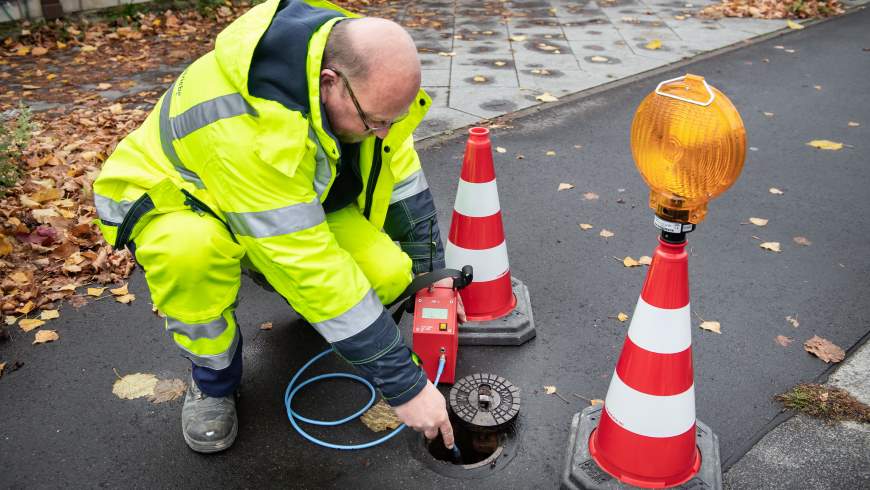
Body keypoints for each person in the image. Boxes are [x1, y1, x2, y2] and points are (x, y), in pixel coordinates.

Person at [92, 0, 462, 454]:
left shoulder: (352, 73)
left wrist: (432, 279)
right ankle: (213, 382)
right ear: (331, 84)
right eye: (375, 122)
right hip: (183, 205)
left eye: (393, 121)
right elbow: (306, 262)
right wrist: (406, 386)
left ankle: (293, 291)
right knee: (190, 253)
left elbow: (401, 175)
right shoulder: (245, 121)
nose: (383, 133)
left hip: (280, 203)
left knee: (386, 273)